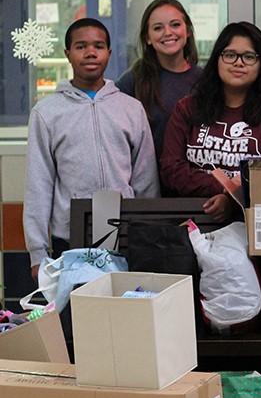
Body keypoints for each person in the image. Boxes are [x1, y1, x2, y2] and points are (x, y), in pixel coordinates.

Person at [25, 18, 160, 276]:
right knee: (76, 312)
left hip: (125, 234)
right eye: (81, 46)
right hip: (70, 235)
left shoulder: (130, 109)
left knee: (122, 311)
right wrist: (38, 253)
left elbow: (146, 180)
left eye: (98, 45)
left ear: (108, 53)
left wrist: (147, 235)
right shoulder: (47, 113)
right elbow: (38, 185)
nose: (90, 52)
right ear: (67, 54)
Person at [160, 22, 261, 222]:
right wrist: (226, 188)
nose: (238, 63)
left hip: (254, 223)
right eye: (230, 55)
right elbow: (171, 169)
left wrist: (232, 201)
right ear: (217, 59)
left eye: (249, 57)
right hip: (192, 219)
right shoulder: (188, 108)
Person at [117, 0, 202, 168]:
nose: (168, 32)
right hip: (146, 186)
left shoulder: (207, 81)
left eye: (175, 25)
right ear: (147, 38)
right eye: (158, 28)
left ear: (188, 31)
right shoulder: (132, 81)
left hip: (195, 187)